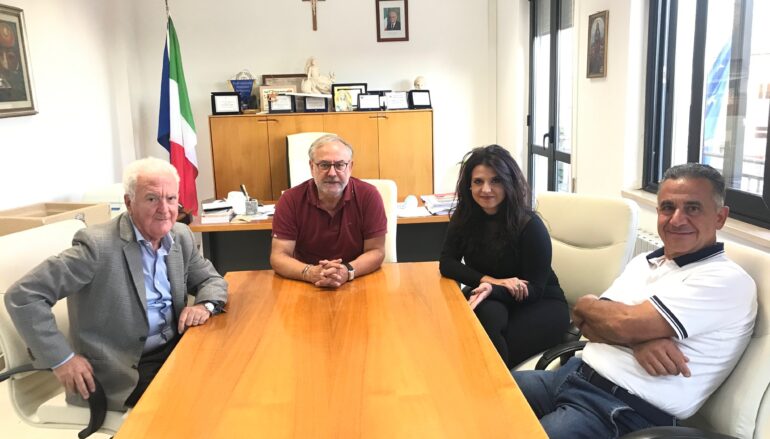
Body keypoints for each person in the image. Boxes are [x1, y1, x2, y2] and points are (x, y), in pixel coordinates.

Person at [512, 163, 757, 439]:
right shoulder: (645, 262)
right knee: (484, 391)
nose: (677, 220)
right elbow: (585, 318)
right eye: (668, 208)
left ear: (720, 217)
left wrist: (619, 325)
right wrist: (637, 339)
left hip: (619, 410)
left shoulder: (725, 280)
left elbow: (618, 323)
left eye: (693, 208)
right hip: (573, 375)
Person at [4, 157, 228, 412]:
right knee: (195, 406)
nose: (164, 209)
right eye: (152, 198)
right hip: (125, 369)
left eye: (171, 198)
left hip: (175, 349)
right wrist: (62, 359)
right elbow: (23, 296)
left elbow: (211, 279)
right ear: (129, 202)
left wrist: (204, 306)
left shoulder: (179, 235)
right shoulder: (97, 247)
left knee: (230, 378)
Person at [439, 145, 569, 368]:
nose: (486, 189)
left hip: (539, 302)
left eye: (496, 181)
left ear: (509, 183)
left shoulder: (530, 225)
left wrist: (493, 288)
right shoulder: (464, 216)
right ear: (469, 185)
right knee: (476, 328)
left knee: (488, 350)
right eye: (478, 181)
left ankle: (497, 384)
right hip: (494, 295)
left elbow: (535, 289)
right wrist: (491, 282)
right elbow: (447, 263)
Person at [271, 134, 387, 288]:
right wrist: (310, 272)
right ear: (312, 167)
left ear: (350, 167)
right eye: (324, 165)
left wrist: (347, 271)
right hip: (305, 282)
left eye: (340, 165)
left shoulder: (369, 195)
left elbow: (377, 251)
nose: (332, 173)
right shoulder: (290, 199)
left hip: (357, 280)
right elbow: (279, 256)